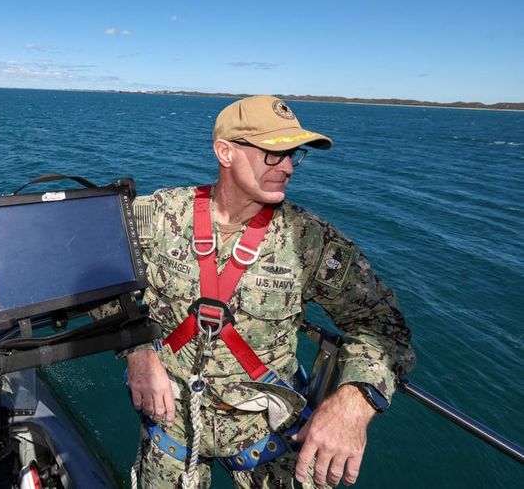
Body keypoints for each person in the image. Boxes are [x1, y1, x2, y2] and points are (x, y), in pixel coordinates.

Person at [120, 95, 415, 488]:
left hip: (268, 433)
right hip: (169, 422)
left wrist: (353, 402)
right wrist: (138, 353)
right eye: (274, 154)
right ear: (225, 152)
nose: (289, 167)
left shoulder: (310, 241)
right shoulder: (158, 215)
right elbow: (101, 279)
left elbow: (384, 326)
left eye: (294, 154)